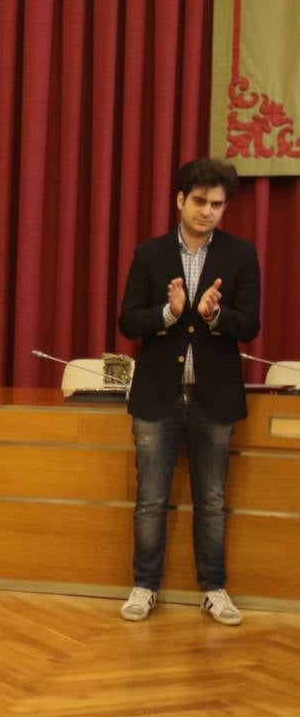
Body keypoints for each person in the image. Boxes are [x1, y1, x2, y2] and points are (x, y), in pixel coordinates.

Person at [116, 158, 260, 626]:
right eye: (200, 201)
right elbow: (128, 320)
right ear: (180, 200)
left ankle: (214, 587)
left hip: (213, 397)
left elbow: (251, 324)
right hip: (159, 394)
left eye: (217, 204)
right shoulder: (151, 254)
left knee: (212, 500)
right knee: (151, 499)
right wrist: (170, 313)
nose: (208, 211)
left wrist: (216, 317)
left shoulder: (240, 255)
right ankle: (144, 585)